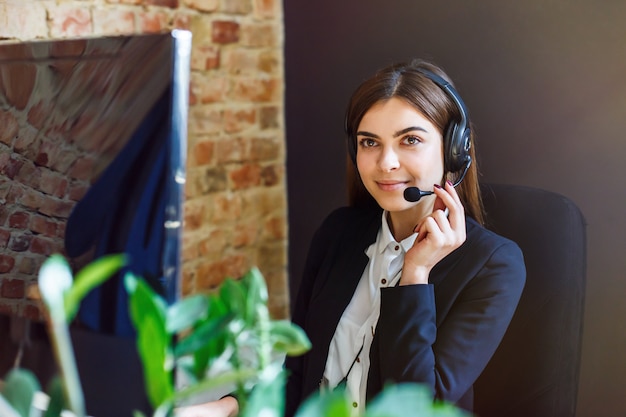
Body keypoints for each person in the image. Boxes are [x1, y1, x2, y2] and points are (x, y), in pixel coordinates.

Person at [283, 59, 526, 416]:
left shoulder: (493, 265)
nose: (386, 163)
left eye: (410, 140)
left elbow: (416, 408)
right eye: (370, 142)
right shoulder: (339, 233)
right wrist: (229, 405)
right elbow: (297, 370)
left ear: (453, 150)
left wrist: (415, 276)